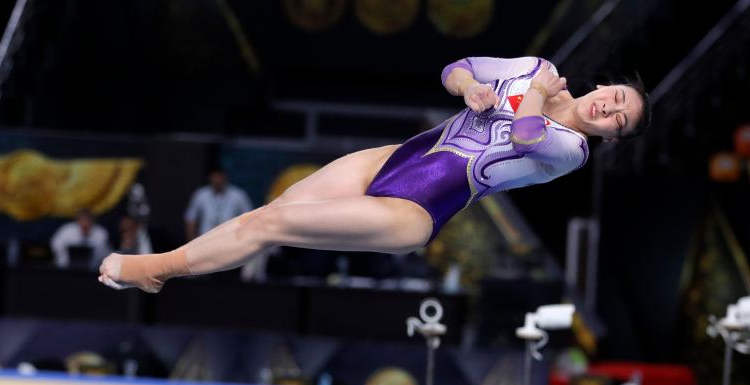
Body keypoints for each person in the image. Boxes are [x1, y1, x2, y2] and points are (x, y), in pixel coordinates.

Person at [98, 56, 649, 293]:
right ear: (607, 86)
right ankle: (165, 268)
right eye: (618, 98)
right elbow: (457, 68)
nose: (611, 110)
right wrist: (468, 89)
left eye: (619, 122)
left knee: (268, 227)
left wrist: (536, 94)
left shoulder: (572, 150)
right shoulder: (535, 69)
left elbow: (527, 135)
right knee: (268, 213)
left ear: (610, 137)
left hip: (414, 210)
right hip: (393, 158)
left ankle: (156, 268)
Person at [183, 167, 254, 243]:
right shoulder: (201, 194)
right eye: (215, 177)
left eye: (220, 177)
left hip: (231, 240)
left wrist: (244, 241)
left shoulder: (238, 195)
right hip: (205, 240)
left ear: (225, 177)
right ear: (210, 178)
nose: (217, 180)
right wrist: (192, 242)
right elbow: (190, 219)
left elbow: (250, 218)